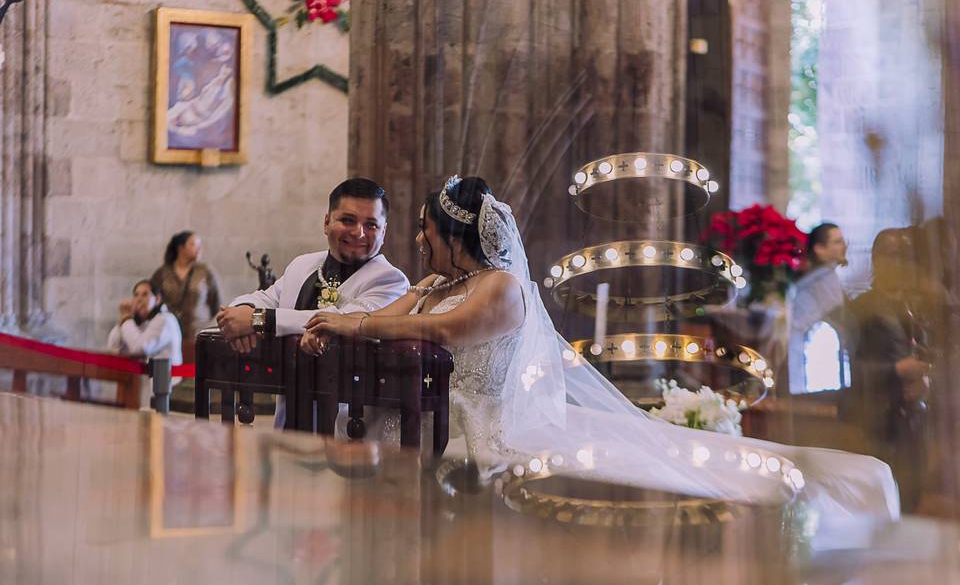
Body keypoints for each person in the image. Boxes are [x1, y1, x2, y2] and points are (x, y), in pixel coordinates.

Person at [301, 176, 900, 532]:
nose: (418, 241)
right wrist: (337, 322)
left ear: (455, 237)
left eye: (427, 231)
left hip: (484, 424)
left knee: (679, 464)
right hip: (421, 414)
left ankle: (827, 488)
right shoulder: (434, 284)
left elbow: (442, 333)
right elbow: (389, 318)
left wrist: (351, 325)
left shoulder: (502, 288)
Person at [217, 178, 410, 426]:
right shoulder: (303, 264)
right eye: (348, 220)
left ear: (384, 232)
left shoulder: (390, 281)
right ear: (327, 222)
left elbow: (339, 321)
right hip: (289, 421)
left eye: (371, 224)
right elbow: (266, 298)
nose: (358, 233)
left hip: (350, 430)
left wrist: (257, 321)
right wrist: (242, 310)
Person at [850, 228, 931, 511]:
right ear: (876, 260)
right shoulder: (860, 308)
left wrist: (926, 377)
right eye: (893, 255)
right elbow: (850, 371)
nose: (900, 264)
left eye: (906, 256)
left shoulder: (916, 309)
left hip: (914, 423)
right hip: (876, 422)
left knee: (912, 502)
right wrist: (895, 369)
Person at [789, 222, 852, 394]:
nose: (844, 246)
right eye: (837, 242)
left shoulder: (822, 277)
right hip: (815, 361)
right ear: (819, 249)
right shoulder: (822, 281)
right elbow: (844, 321)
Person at [152, 231, 221, 363]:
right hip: (169, 336)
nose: (199, 249)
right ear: (181, 248)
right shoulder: (162, 273)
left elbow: (216, 304)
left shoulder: (205, 272)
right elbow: (153, 303)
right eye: (194, 244)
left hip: (199, 335)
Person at [107, 279, 183, 365]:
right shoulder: (141, 321)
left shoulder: (165, 319)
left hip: (165, 377)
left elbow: (140, 348)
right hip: (145, 376)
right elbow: (113, 346)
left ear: (157, 299)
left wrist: (127, 318)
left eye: (145, 294)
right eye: (136, 295)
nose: (139, 299)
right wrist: (125, 318)